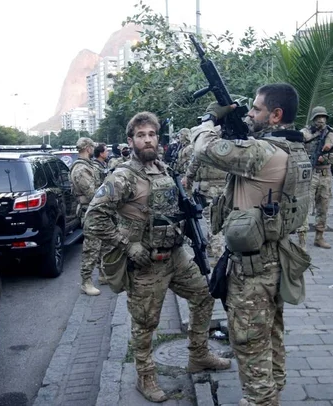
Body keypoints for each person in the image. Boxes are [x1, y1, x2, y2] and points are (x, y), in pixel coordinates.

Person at [84, 112, 230, 403]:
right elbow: (94, 218)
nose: (147, 139)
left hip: (176, 256)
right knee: (145, 323)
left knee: (204, 295)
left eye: (151, 134)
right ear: (131, 140)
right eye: (141, 135)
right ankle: (145, 376)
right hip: (147, 263)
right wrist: (127, 245)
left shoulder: (164, 169)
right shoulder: (124, 176)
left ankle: (199, 354)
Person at [192, 83, 311, 406]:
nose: (250, 114)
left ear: (276, 115)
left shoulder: (263, 153)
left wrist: (209, 121)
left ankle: (260, 400)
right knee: (271, 335)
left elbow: (204, 149)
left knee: (248, 341)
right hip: (274, 260)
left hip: (252, 272)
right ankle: (271, 394)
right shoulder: (294, 149)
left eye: (256, 109)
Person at [296, 106, 333, 250]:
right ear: (313, 119)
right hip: (310, 173)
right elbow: (297, 150)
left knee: (323, 207)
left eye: (323, 117)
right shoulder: (305, 133)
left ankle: (319, 236)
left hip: (326, 174)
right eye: (318, 118)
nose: (321, 120)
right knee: (304, 206)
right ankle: (302, 239)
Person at [70, 137, 104, 295]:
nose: (93, 149)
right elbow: (92, 193)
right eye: (91, 147)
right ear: (87, 148)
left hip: (94, 210)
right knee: (91, 248)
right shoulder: (81, 169)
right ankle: (86, 281)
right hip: (89, 211)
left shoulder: (86, 166)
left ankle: (103, 274)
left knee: (102, 245)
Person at [183, 152, 228, 262]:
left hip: (209, 190)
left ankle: (219, 259)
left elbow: (192, 168)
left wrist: (187, 189)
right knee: (218, 220)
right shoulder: (229, 145)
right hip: (227, 189)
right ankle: (210, 248)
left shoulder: (204, 146)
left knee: (213, 222)